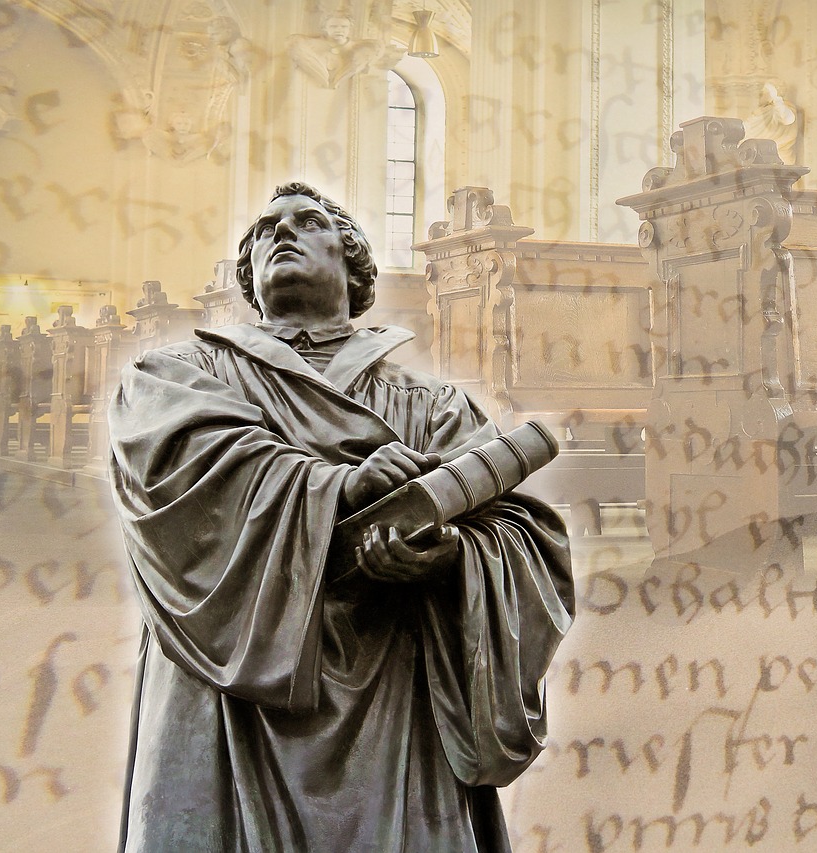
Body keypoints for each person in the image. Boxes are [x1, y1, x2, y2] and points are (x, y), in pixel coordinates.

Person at [108, 181, 574, 851]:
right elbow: (171, 466)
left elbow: (519, 533)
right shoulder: (183, 375)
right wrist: (336, 487)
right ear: (250, 275)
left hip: (393, 694)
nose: (281, 233)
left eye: (308, 222)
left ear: (353, 262)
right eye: (265, 230)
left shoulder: (432, 405)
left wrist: (450, 555)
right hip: (231, 703)